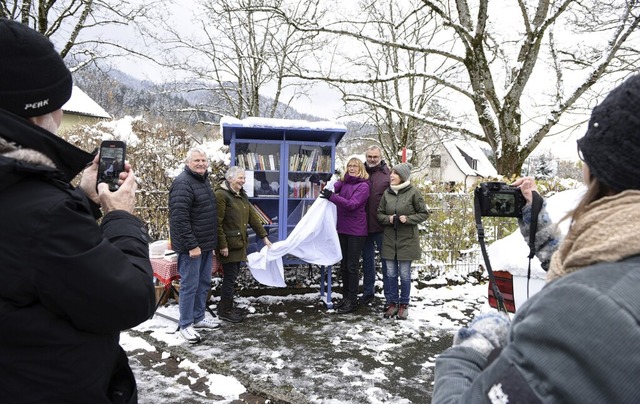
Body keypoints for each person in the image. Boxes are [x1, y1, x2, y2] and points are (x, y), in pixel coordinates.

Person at [433, 74, 640, 403]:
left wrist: (468, 354)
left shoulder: (586, 309)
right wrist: (534, 214)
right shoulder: (622, 264)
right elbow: (584, 266)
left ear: (600, 171)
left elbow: (590, 286)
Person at [0, 18, 155, 403]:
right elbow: (131, 297)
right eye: (59, 105)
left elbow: (41, 259)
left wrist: (82, 199)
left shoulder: (26, 199)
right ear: (37, 112)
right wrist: (120, 215)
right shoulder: (43, 214)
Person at [169, 147, 219, 344]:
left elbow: (206, 214)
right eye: (196, 160)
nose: (201, 163)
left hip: (205, 245)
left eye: (203, 160)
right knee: (189, 285)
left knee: (204, 282)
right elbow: (179, 219)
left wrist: (210, 244)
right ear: (188, 162)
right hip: (192, 248)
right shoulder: (183, 184)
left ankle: (198, 318)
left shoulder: (203, 181)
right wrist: (192, 245)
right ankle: (186, 325)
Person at [215, 166, 272, 323]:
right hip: (229, 245)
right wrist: (222, 245)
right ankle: (225, 311)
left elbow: (253, 218)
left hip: (239, 244)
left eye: (244, 178)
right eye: (240, 178)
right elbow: (217, 223)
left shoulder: (241, 195)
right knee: (230, 278)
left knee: (232, 277)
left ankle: (226, 306)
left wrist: (264, 237)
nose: (243, 181)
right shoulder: (221, 195)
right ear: (230, 178)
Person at [376, 163, 429, 320]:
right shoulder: (387, 193)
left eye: (395, 173)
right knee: (391, 274)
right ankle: (392, 304)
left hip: (407, 241)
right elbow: (379, 214)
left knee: (404, 275)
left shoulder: (414, 193)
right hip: (389, 240)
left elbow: (424, 213)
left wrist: (409, 219)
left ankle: (404, 305)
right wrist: (389, 219)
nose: (391, 175)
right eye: (391, 172)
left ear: (403, 176)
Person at [320, 157, 370, 314]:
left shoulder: (363, 186)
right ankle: (346, 298)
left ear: (361, 168)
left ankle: (352, 300)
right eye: (350, 166)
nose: (352, 168)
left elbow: (352, 205)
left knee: (352, 266)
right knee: (343, 266)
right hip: (342, 229)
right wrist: (332, 185)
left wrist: (332, 197)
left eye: (355, 166)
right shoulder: (345, 182)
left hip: (356, 231)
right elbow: (334, 186)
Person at [359, 145, 391, 308]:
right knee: (367, 261)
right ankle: (368, 293)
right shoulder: (360, 172)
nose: (372, 159)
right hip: (363, 225)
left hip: (382, 226)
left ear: (380, 157)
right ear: (366, 156)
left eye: (375, 157)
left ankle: (389, 297)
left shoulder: (388, 175)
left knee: (387, 262)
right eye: (369, 156)